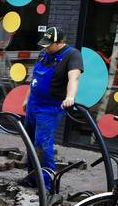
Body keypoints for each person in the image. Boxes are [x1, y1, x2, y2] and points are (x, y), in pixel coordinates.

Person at [22, 26, 83, 190]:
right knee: (30, 143)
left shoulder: (72, 55)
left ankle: (47, 184)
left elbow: (74, 78)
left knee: (42, 144)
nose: (46, 47)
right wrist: (27, 98)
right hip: (33, 104)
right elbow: (35, 78)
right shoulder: (44, 54)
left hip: (49, 108)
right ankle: (32, 178)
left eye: (49, 44)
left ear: (61, 42)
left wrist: (70, 97)